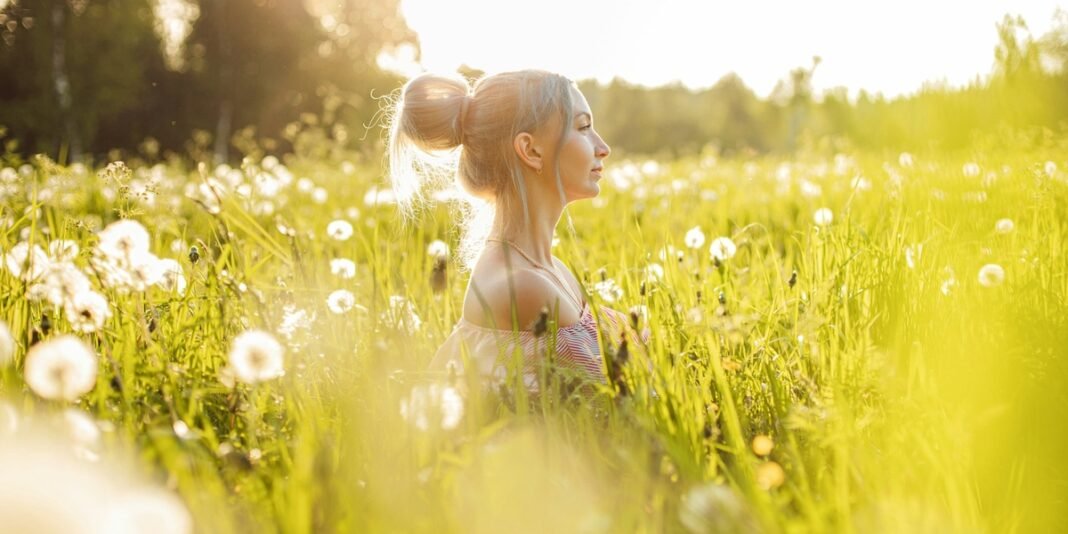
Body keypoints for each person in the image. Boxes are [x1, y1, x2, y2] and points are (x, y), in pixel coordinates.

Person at [386, 69, 647, 393]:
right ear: (531, 150)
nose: (603, 147)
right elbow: (626, 398)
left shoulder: (549, 270)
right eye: (583, 127)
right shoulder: (523, 285)